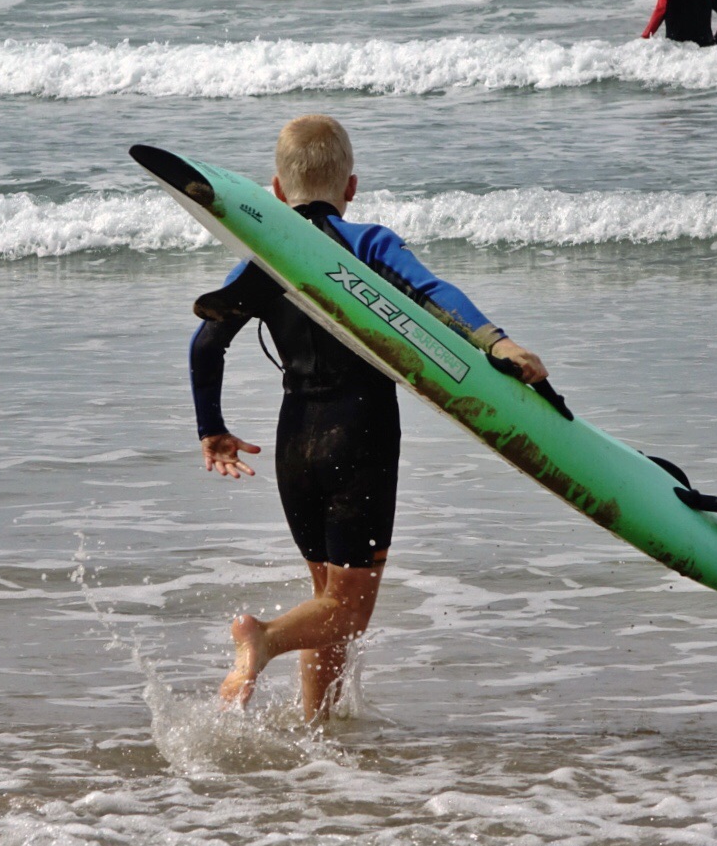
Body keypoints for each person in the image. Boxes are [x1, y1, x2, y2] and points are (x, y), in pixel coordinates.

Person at [188, 115, 548, 719]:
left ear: (276, 190)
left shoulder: (264, 258)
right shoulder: (368, 244)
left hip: (293, 441)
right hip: (359, 435)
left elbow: (205, 344)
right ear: (350, 188)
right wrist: (497, 343)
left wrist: (212, 429)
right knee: (350, 609)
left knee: (327, 600)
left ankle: (318, 731)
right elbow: (435, 294)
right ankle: (264, 639)